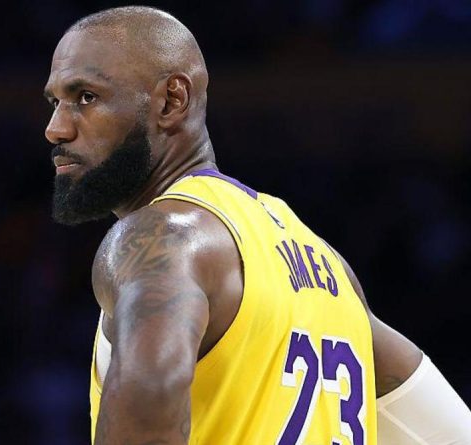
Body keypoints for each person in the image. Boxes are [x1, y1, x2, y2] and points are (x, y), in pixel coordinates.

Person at [42, 6, 471, 445]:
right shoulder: (329, 268)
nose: (55, 128)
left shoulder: (165, 237)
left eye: (86, 97)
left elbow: (152, 396)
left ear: (172, 100)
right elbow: (453, 432)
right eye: (55, 102)